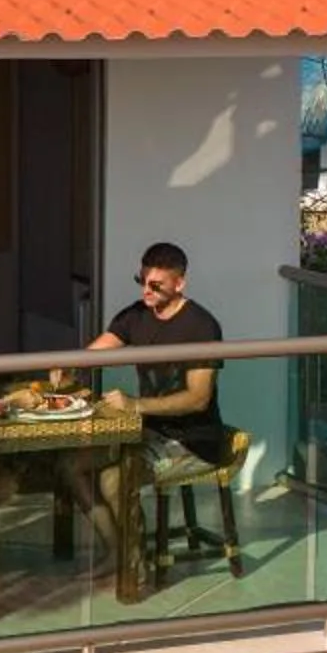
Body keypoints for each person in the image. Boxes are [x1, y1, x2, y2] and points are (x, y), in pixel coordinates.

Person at [59, 241, 228, 567]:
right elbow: (94, 352)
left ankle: (133, 566)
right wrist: (67, 365)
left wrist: (135, 405)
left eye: (156, 285)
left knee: (113, 478)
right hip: (146, 432)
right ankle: (118, 552)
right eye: (141, 281)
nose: (146, 291)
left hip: (192, 440)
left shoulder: (202, 326)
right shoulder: (136, 315)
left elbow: (198, 398)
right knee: (71, 464)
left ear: (179, 284)